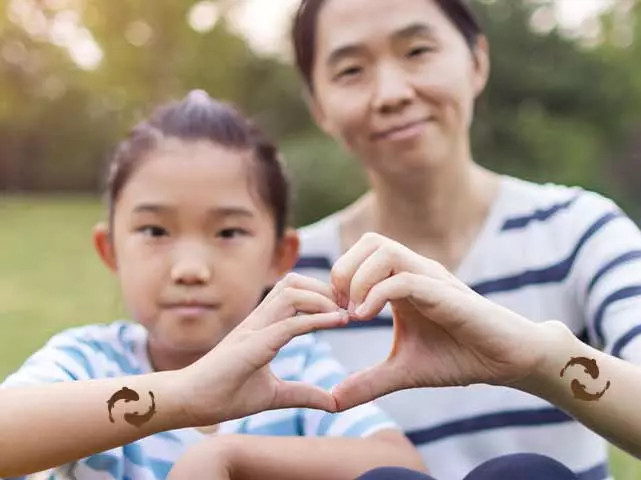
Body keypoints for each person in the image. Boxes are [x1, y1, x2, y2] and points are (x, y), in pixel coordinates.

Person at [285, 0, 641, 478]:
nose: (391, 93)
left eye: (417, 51)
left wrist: (539, 361)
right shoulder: (289, 281)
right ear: (317, 106)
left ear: (477, 62)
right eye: (350, 70)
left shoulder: (577, 230)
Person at [0, 92, 424, 479]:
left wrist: (227, 455)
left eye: (227, 233)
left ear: (279, 256)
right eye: (153, 230)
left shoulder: (294, 369)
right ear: (110, 250)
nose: (190, 269)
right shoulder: (88, 362)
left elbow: (400, 466)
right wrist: (183, 396)